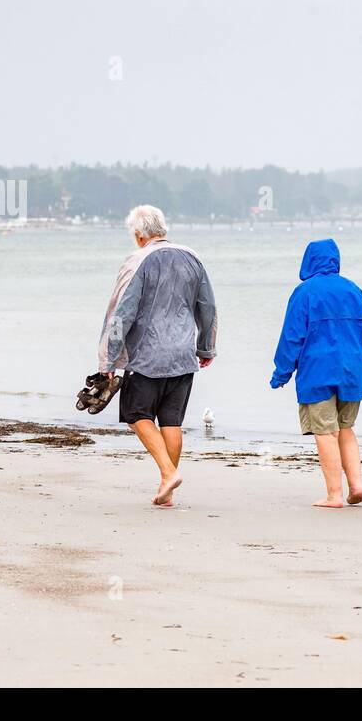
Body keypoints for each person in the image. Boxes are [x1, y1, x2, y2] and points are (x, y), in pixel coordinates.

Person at [98, 205, 218, 507]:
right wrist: (205, 347)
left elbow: (120, 314)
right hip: (182, 355)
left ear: (139, 235)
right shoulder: (193, 257)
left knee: (137, 414)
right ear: (162, 228)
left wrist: (107, 361)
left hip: (147, 357)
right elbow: (208, 307)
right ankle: (168, 491)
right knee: (171, 422)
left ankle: (168, 473)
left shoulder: (137, 260)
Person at [271, 239, 362, 508]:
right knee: (345, 428)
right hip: (354, 371)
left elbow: (292, 336)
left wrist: (282, 373)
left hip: (318, 372)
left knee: (325, 432)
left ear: (308, 261)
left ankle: (334, 495)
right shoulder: (354, 291)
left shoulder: (304, 293)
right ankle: (356, 484)